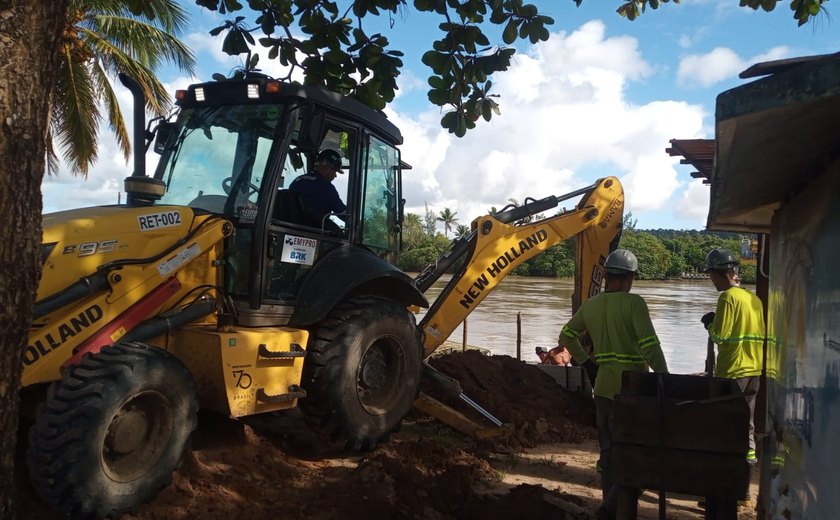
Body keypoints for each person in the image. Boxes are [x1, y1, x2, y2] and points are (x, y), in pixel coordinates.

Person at [558, 248, 668, 519]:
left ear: (606, 275)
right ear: (630, 277)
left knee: (608, 451)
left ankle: (610, 501)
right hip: (632, 391)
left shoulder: (591, 305)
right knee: (632, 449)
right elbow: (650, 345)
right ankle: (616, 506)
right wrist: (665, 377)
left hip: (603, 388)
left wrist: (587, 362)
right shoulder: (634, 304)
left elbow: (567, 335)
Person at [701, 247, 765, 465]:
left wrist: (710, 323)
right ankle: (744, 484)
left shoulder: (728, 298)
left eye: (710, 275)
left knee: (725, 424)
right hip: (754, 370)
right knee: (747, 423)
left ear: (718, 273)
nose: (711, 280)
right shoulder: (753, 298)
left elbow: (719, 336)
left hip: (733, 371)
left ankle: (725, 482)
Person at [288, 149, 346, 225]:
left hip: (292, 227)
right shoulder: (326, 187)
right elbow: (343, 214)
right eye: (334, 171)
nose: (335, 176)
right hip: (313, 230)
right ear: (325, 165)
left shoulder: (297, 181)